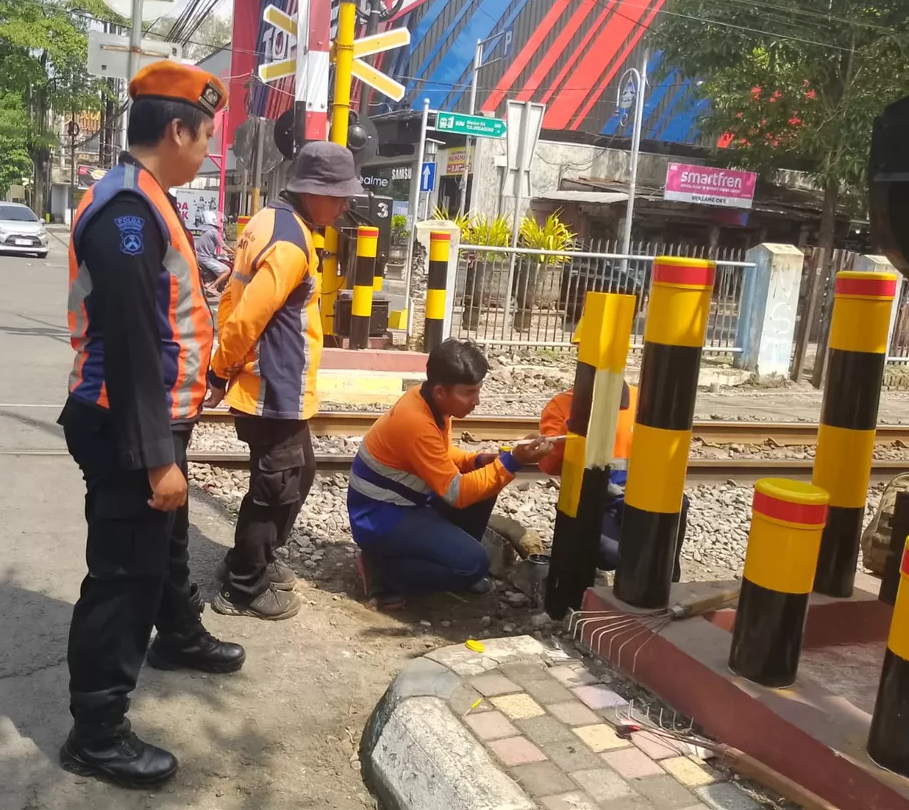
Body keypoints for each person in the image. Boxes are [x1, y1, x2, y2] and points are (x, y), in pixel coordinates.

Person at [56, 60, 244, 789]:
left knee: (158, 542)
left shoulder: (147, 201)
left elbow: (159, 301)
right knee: (121, 578)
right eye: (205, 137)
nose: (206, 152)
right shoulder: (129, 212)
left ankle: (180, 637)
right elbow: (134, 345)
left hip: (148, 418)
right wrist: (156, 458)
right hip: (127, 421)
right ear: (176, 130)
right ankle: (96, 732)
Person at [204, 142, 361, 621]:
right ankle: (243, 587)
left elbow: (235, 296)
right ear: (312, 192)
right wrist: (220, 369)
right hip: (272, 389)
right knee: (276, 488)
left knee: (297, 474)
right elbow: (247, 317)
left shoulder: (269, 221)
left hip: (272, 387)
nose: (344, 205)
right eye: (337, 196)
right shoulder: (291, 243)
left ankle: (255, 559)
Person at [347, 339, 553, 606]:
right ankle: (382, 570)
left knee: (485, 476)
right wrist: (513, 462)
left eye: (478, 391)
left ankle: (441, 559)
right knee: (473, 565)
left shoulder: (431, 401)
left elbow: (441, 456)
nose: (476, 401)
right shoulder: (416, 422)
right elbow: (457, 494)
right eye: (468, 393)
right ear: (442, 391)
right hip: (379, 517)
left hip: (404, 505)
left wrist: (477, 460)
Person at [539, 380, 689, 580]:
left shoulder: (642, 400)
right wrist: (574, 429)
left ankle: (667, 579)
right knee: (612, 555)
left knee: (678, 503)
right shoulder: (563, 405)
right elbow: (550, 465)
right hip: (593, 499)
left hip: (634, 495)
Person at [194, 208, 231, 294]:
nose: (222, 222)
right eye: (220, 220)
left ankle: (214, 283)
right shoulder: (214, 232)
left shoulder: (206, 230)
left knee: (223, 259)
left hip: (201, 257)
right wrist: (235, 252)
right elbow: (224, 247)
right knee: (227, 270)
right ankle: (212, 287)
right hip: (205, 258)